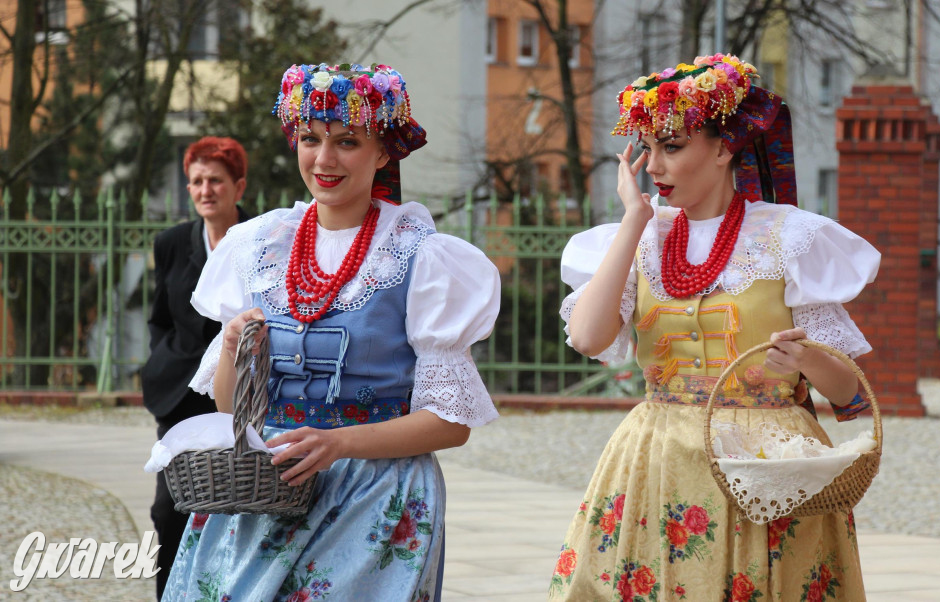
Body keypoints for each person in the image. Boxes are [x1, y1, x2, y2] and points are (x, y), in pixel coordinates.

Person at [160, 63, 500, 601]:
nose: (324, 159)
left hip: (373, 499)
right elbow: (232, 411)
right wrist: (231, 348)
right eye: (309, 139)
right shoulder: (259, 245)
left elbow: (449, 424)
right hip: (266, 492)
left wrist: (339, 443)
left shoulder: (420, 256)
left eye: (347, 142)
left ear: (384, 151)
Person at [548, 54, 880, 601]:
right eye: (647, 148)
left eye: (672, 147)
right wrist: (634, 219)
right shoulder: (639, 239)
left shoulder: (790, 238)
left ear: (725, 147)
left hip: (770, 468)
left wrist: (806, 361)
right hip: (659, 459)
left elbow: (850, 396)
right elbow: (587, 339)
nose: (653, 166)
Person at [141, 136, 249, 599]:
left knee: (237, 506)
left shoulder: (258, 240)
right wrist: (161, 367)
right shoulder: (170, 244)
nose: (206, 190)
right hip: (179, 398)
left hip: (241, 396)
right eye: (197, 181)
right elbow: (159, 318)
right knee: (170, 510)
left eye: (216, 181)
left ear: (238, 187)